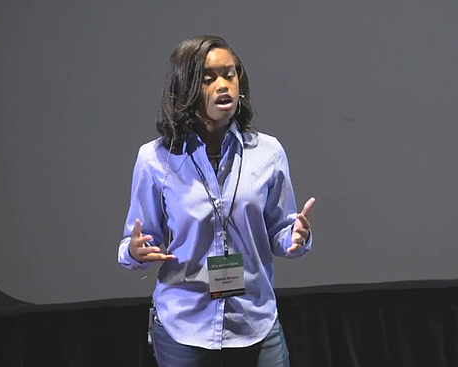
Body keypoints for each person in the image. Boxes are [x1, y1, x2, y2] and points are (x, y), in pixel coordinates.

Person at [117, 35, 315, 367]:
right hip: (184, 328)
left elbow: (280, 232)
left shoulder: (268, 152)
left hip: (254, 322)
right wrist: (134, 251)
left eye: (230, 74)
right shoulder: (155, 159)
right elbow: (133, 244)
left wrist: (296, 236)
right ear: (186, 89)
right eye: (209, 79)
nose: (223, 85)